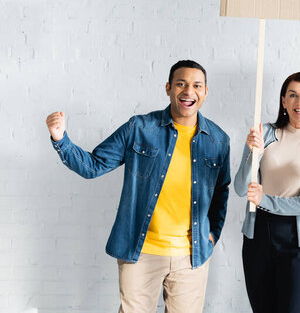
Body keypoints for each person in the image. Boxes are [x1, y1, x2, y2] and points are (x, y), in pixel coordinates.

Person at [45, 60, 230, 313]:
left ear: (205, 92)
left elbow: (221, 191)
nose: (189, 91)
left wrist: (213, 234)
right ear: (168, 88)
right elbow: (93, 165)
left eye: (197, 85)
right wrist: (60, 138)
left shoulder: (219, 140)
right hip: (142, 252)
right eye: (181, 84)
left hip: (192, 255)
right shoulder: (140, 128)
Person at [234, 72, 300, 313]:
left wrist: (265, 199)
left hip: (296, 241)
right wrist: (251, 152)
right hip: (257, 233)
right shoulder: (264, 133)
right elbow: (240, 188)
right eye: (292, 95)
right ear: (283, 102)